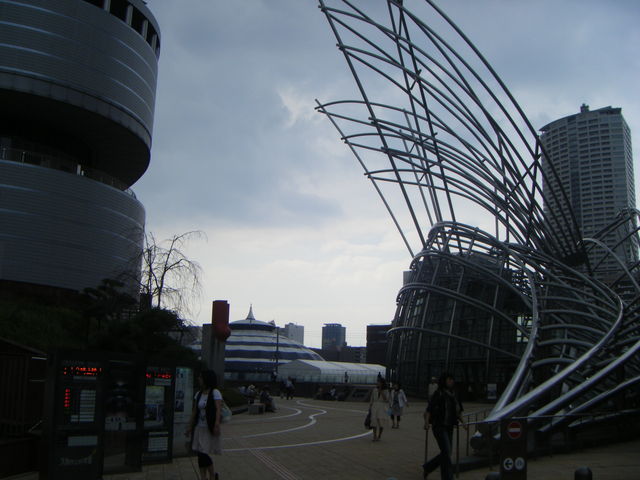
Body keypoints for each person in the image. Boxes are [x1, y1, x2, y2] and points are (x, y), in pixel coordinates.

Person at [422, 373, 466, 480]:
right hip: (439, 426)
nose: (451, 381)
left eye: (452, 379)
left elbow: (458, 411)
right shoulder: (439, 393)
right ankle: (447, 477)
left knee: (447, 452)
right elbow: (429, 409)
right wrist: (427, 422)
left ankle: (428, 467)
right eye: (449, 379)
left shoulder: (454, 394)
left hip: (449, 426)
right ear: (444, 381)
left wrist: (463, 422)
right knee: (446, 452)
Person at [185, 370, 222, 480]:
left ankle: (212, 475)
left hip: (208, 428)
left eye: (201, 377)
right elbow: (194, 411)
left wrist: (216, 424)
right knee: (200, 453)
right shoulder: (199, 394)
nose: (199, 379)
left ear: (206, 379)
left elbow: (218, 410)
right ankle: (203, 477)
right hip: (199, 427)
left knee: (203, 453)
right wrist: (189, 426)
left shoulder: (215, 392)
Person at [369, 377, 390, 442]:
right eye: (377, 382)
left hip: (382, 406)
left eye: (379, 382)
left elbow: (386, 399)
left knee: (381, 422)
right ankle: (374, 436)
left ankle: (379, 436)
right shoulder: (375, 390)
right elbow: (372, 398)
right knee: (374, 421)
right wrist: (370, 406)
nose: (378, 383)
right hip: (375, 406)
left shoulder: (386, 390)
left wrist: (381, 391)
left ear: (382, 383)